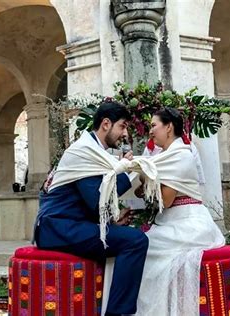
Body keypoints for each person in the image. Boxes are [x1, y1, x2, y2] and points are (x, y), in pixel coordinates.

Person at [34, 101, 149, 316]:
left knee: (130, 238)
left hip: (71, 225)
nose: (124, 134)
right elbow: (97, 201)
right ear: (106, 124)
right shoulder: (84, 151)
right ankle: (118, 313)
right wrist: (127, 171)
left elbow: (92, 201)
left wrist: (112, 222)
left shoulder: (94, 152)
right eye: (122, 126)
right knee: (135, 241)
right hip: (57, 229)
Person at [135, 107, 225, 315]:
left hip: (187, 224)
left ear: (168, 127)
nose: (150, 131)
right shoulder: (166, 156)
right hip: (171, 221)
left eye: (153, 125)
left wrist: (146, 178)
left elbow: (165, 201)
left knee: (143, 247)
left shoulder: (179, 156)